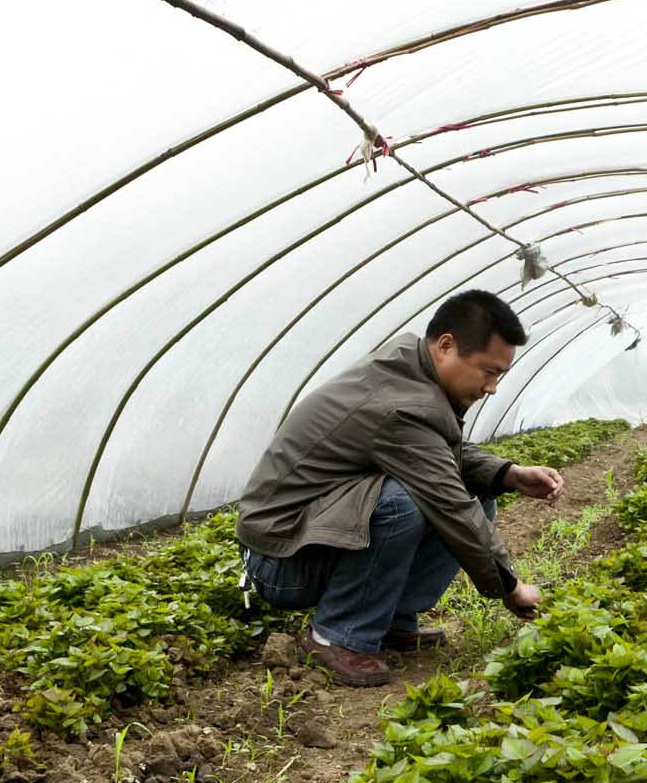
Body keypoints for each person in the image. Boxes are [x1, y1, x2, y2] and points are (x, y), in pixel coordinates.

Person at [233, 290, 564, 687]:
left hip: (307, 540)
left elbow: (440, 451)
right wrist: (511, 587)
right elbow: (449, 502)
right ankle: (337, 636)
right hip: (280, 561)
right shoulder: (403, 404)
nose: (492, 387)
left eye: (499, 376)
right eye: (487, 371)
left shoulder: (414, 373)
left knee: (459, 496)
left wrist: (507, 473)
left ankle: (389, 620)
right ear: (446, 346)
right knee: (404, 503)